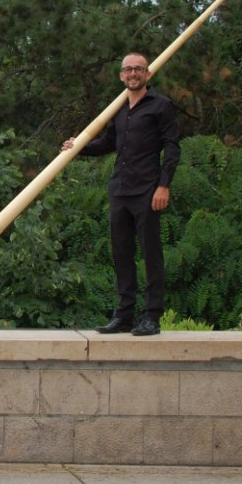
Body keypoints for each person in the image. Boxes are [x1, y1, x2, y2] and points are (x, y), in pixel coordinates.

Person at [62, 52, 180, 336]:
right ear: (121, 76)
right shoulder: (117, 108)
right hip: (120, 190)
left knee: (151, 253)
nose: (133, 74)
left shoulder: (161, 106)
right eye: (128, 69)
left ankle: (152, 316)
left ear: (148, 74)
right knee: (122, 253)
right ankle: (124, 315)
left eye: (139, 69)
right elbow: (108, 144)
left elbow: (172, 148)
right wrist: (78, 147)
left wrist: (163, 186)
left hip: (148, 190)